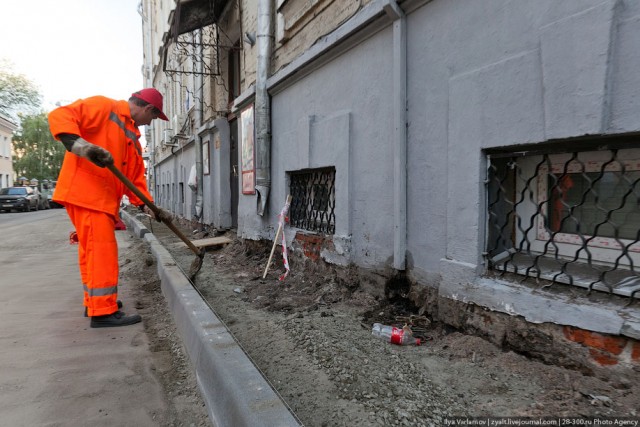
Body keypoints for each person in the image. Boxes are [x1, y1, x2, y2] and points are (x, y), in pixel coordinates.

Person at [48, 88, 170, 328]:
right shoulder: (105, 108)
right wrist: (80, 146)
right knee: (102, 252)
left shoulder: (133, 137)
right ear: (148, 108)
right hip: (87, 194)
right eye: (154, 117)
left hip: (100, 200)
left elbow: (134, 180)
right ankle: (103, 311)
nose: (151, 122)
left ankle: (96, 301)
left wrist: (149, 206)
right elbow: (60, 115)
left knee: (92, 252)